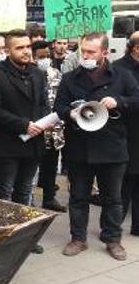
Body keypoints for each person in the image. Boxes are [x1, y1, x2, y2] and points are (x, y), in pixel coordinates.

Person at [55, 33, 139, 261]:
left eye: (91, 52)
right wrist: (70, 113)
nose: (86, 56)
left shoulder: (122, 76)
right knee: (78, 197)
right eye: (84, 51)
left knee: (113, 198)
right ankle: (78, 238)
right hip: (80, 148)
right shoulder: (71, 78)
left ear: (104, 52)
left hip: (112, 147)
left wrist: (119, 101)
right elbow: (59, 105)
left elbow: (136, 98)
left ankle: (113, 239)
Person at [0, 30, 49, 253]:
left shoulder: (38, 74)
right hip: (7, 144)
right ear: (8, 50)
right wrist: (22, 125)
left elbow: (43, 103)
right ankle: (3, 236)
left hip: (33, 142)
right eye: (19, 48)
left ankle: (24, 236)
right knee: (4, 191)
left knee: (25, 190)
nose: (25, 52)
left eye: (27, 47)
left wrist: (43, 121)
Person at [32, 40, 67, 212]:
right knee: (30, 168)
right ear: (33, 57)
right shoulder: (28, 74)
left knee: (51, 165)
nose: (44, 60)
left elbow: (61, 99)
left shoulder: (56, 74)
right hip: (33, 129)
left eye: (47, 56)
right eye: (40, 57)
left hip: (53, 130)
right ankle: (27, 199)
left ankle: (49, 198)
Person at [115, 31, 139, 236]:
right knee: (124, 181)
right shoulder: (119, 69)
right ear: (136, 48)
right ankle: (114, 227)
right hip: (126, 132)